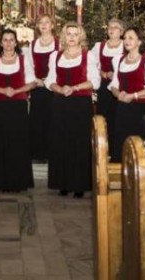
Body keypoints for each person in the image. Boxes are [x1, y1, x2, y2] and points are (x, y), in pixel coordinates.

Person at [46, 22, 100, 198]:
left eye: (75, 34)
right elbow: (50, 80)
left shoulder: (88, 56)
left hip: (80, 104)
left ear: (81, 37)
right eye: (68, 34)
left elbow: (95, 81)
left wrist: (75, 87)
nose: (71, 37)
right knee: (61, 141)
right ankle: (63, 182)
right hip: (60, 104)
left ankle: (79, 184)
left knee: (79, 142)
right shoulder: (56, 55)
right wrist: (59, 88)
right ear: (63, 36)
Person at [0, 28, 36, 193]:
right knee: (0, 143)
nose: (8, 43)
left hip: (18, 107)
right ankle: (1, 181)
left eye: (11, 39)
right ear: (1, 43)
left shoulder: (23, 59)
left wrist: (17, 91)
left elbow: (32, 82)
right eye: (5, 40)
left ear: (16, 42)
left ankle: (19, 181)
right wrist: (3, 91)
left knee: (18, 143)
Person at [108, 27, 145, 162]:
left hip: (143, 111)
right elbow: (114, 84)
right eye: (125, 38)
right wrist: (118, 94)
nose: (126, 40)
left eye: (131, 38)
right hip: (123, 110)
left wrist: (134, 96)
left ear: (140, 41)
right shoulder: (119, 60)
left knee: (142, 150)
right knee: (123, 145)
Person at [90, 18, 125, 154]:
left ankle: (119, 150)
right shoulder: (99, 46)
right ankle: (105, 150)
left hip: (122, 87)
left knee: (120, 117)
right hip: (105, 88)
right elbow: (91, 66)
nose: (112, 29)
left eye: (116, 27)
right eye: (110, 27)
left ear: (121, 31)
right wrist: (104, 74)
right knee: (105, 118)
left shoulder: (126, 45)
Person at [29, 14, 58, 161]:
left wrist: (50, 80)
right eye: (41, 22)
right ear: (37, 26)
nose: (44, 25)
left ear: (52, 25)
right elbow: (28, 66)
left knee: (53, 119)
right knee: (38, 119)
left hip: (54, 87)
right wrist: (36, 80)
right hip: (38, 85)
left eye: (47, 22)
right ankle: (38, 152)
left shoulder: (59, 43)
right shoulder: (33, 44)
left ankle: (52, 152)